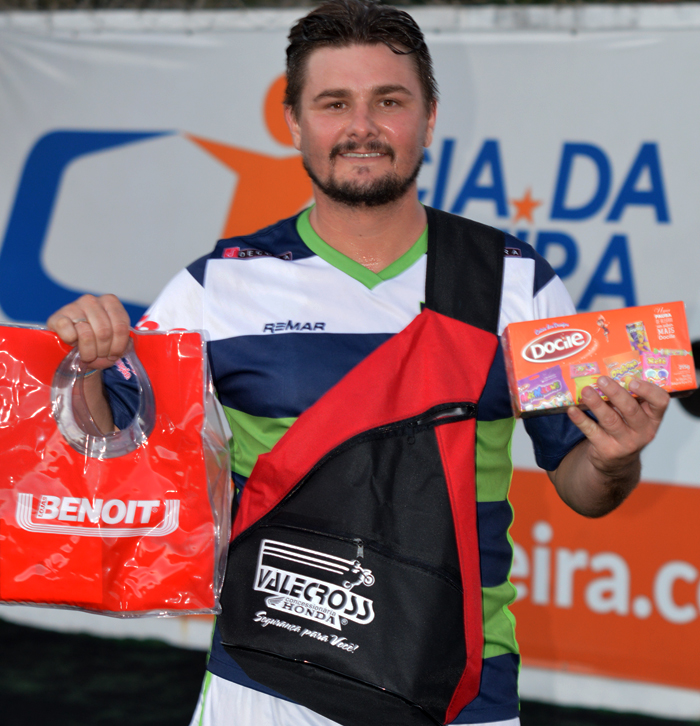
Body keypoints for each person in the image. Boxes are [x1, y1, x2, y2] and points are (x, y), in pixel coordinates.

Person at [47, 1, 669, 724]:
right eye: (334, 103)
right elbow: (110, 449)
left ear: (430, 117)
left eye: (389, 102)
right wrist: (86, 366)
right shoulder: (218, 285)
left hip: (459, 685)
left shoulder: (512, 279)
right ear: (294, 122)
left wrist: (618, 457)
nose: (362, 127)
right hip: (268, 677)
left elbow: (586, 487)